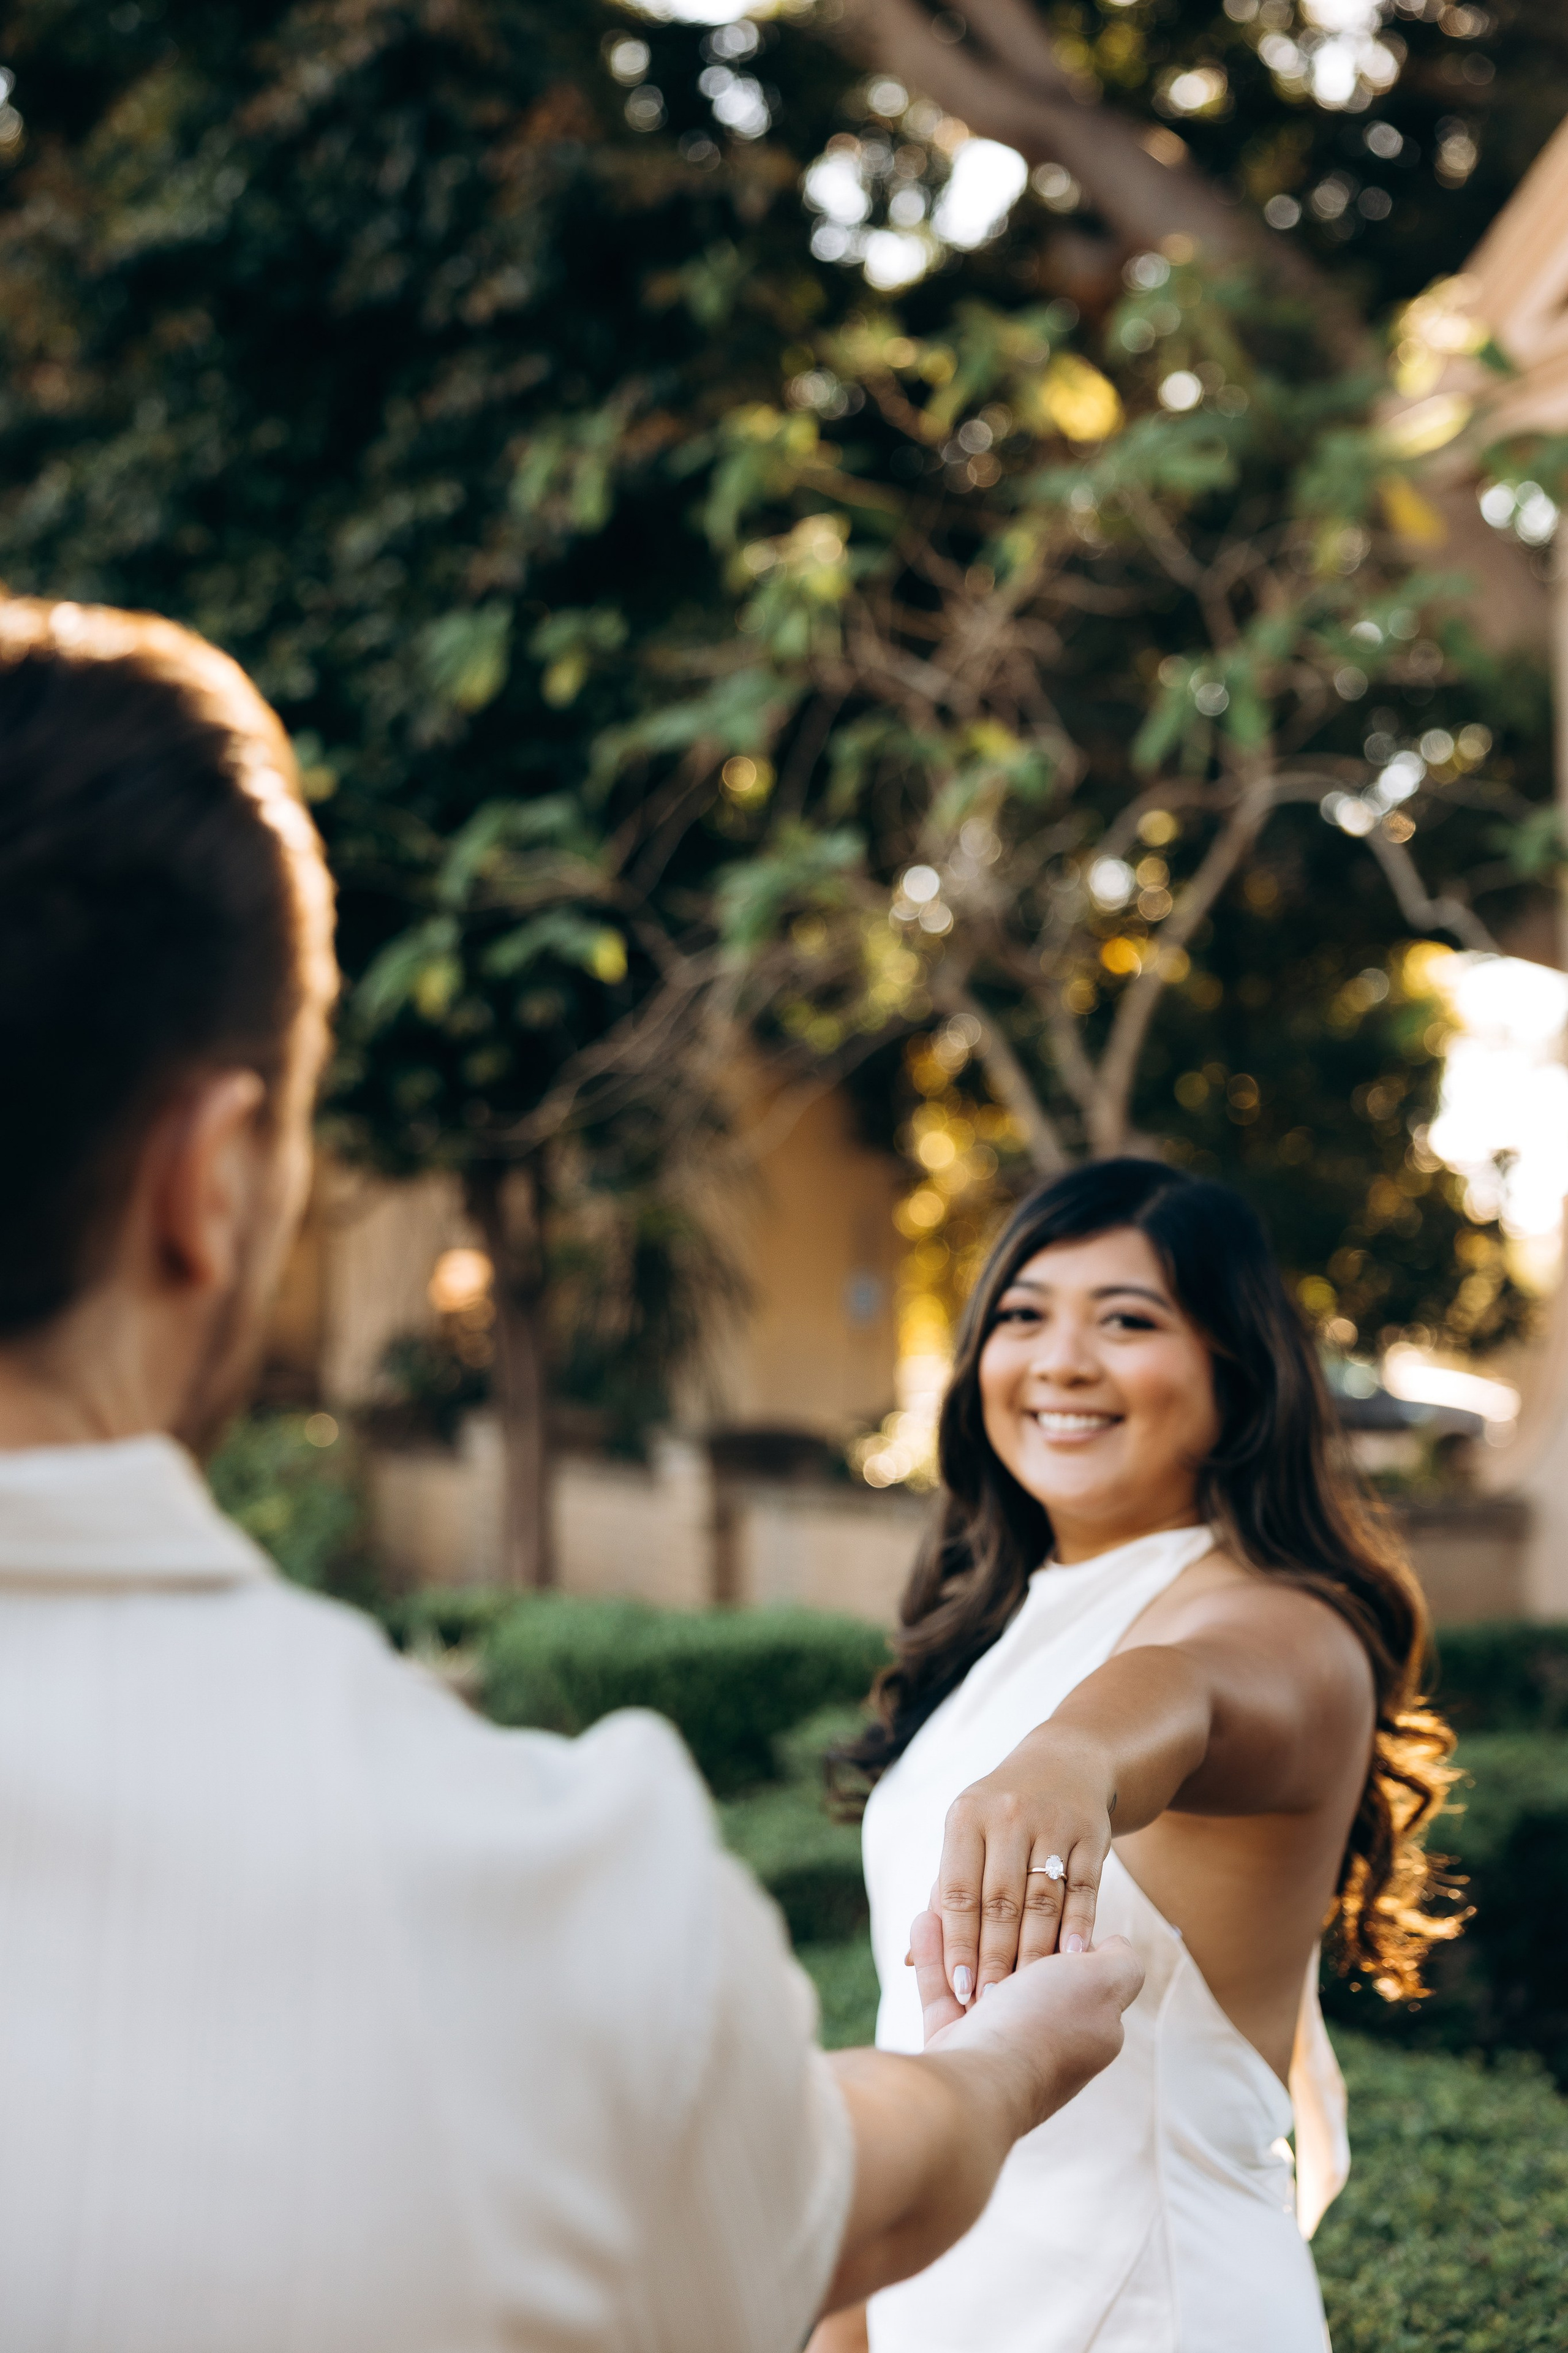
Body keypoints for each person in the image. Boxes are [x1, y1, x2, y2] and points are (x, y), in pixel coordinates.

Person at [0, 596, 1142, 2353]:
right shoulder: (560, 1904)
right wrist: (1009, 2060)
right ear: (211, 1182)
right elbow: (838, 2193)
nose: (1062, 1365)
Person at [811, 1160, 1460, 2353]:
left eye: (1126, 1320)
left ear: (1234, 1368)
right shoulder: (1007, 1624)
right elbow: (917, 2021)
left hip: (1149, 2313)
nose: (1060, 1360)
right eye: (1023, 1314)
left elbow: (1188, 1690)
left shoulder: (1285, 1625)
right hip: (942, 2305)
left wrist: (1070, 1758)